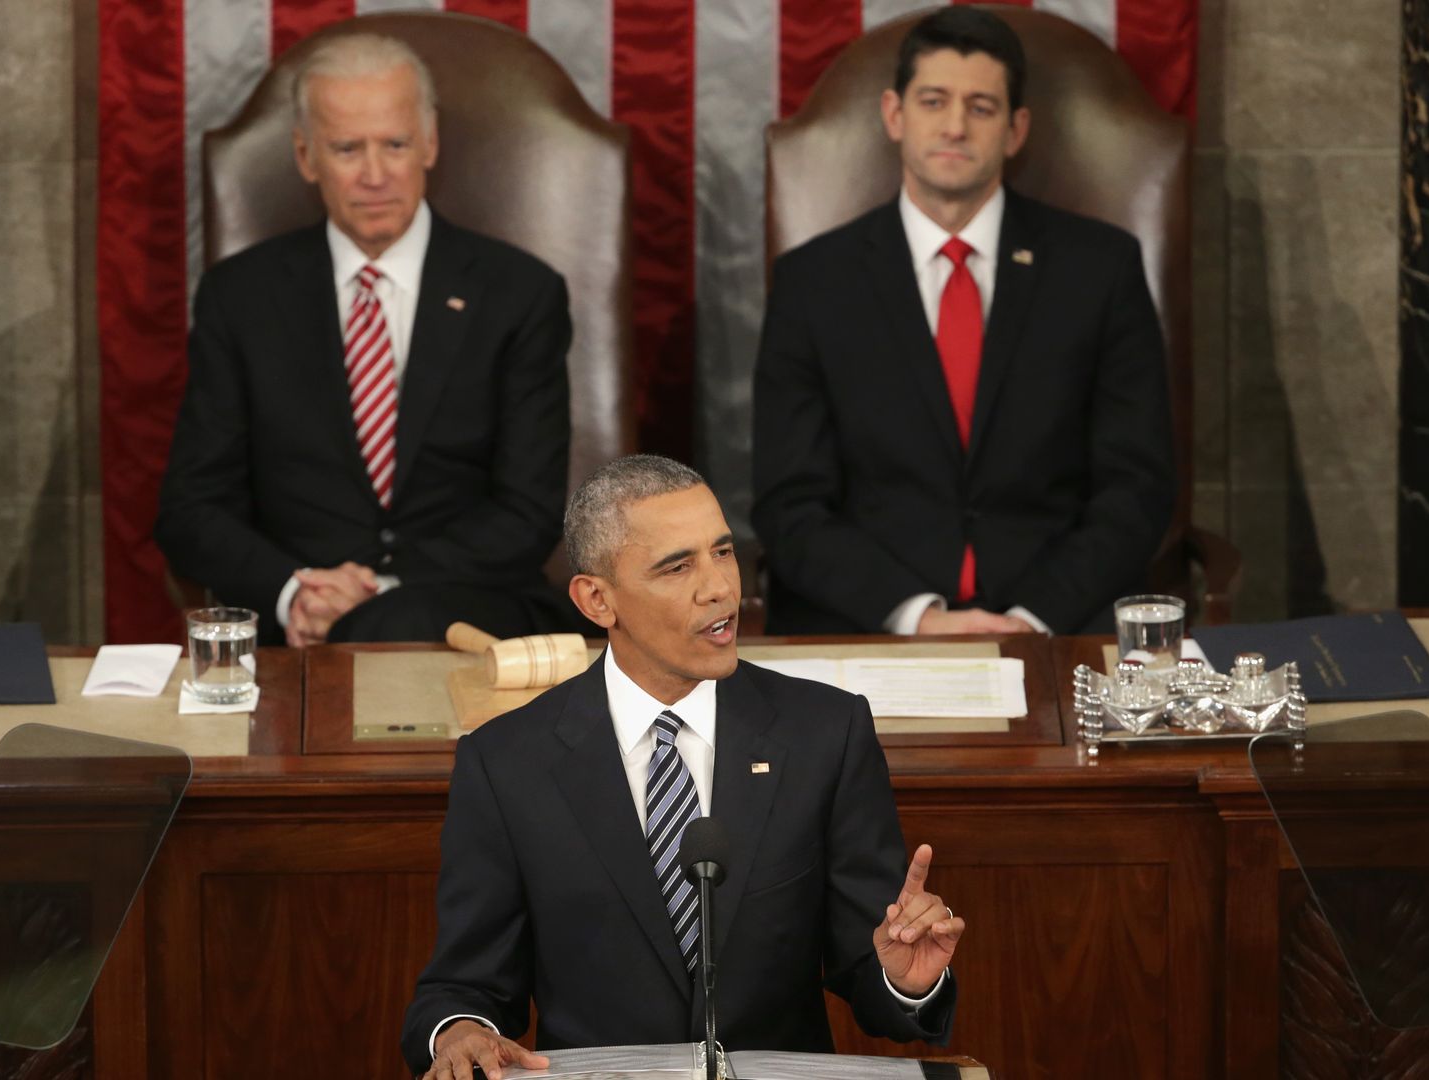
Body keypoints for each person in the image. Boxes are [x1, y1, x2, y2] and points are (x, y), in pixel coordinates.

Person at [403, 455, 962, 1079]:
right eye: (678, 566)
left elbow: (872, 967)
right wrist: (458, 1033)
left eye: (722, 552)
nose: (720, 587)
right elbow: (466, 986)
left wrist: (906, 981)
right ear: (596, 600)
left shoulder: (826, 732)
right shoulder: (507, 763)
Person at [753, 7, 1176, 637]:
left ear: (1015, 129)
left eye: (981, 107)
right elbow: (790, 505)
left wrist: (1033, 620)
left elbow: (1136, 487)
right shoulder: (813, 282)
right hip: (871, 626)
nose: (955, 126)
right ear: (894, 115)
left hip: (1061, 625)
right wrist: (917, 617)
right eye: (934, 101)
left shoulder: (1100, 269)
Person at [156, 33, 579, 645]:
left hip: (463, 615)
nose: (375, 175)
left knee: (398, 624)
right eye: (348, 148)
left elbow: (527, 512)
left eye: (395, 145)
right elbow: (191, 511)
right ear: (306, 156)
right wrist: (293, 593)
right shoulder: (239, 297)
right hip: (296, 626)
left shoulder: (519, 293)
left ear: (429, 144)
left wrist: (374, 594)